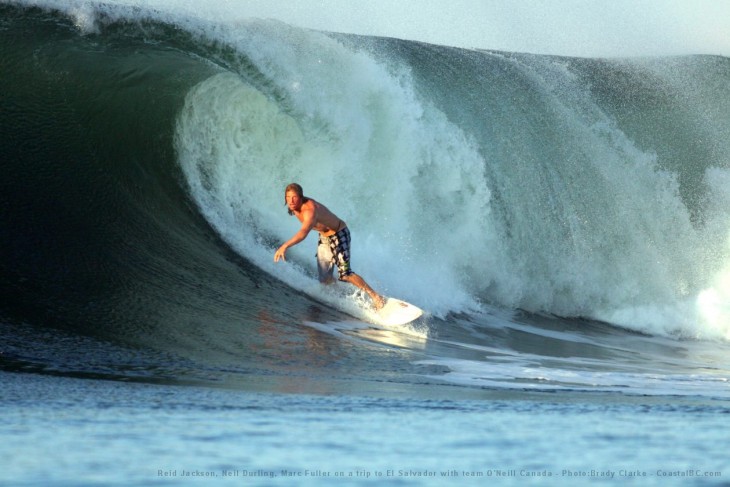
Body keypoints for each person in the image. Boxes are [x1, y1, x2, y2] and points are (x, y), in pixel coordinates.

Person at [274, 183, 385, 310]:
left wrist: (285, 246)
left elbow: (303, 232)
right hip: (324, 238)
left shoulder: (310, 210)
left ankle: (376, 297)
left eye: (294, 197)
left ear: (301, 197)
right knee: (324, 279)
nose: (291, 200)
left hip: (339, 234)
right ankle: (342, 294)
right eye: (288, 197)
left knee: (345, 274)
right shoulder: (293, 206)